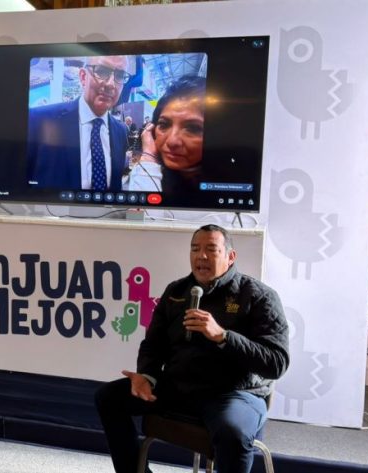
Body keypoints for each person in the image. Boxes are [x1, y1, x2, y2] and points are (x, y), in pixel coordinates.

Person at [95, 224, 289, 473]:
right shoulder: (176, 291)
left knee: (233, 433)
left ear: (230, 257)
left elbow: (276, 362)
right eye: (195, 249)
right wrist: (147, 375)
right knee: (109, 397)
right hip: (179, 386)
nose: (201, 256)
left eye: (211, 249)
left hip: (233, 393)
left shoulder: (258, 296)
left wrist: (223, 337)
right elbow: (153, 345)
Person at [26, 55, 131, 191]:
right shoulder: (38, 120)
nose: (111, 84)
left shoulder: (121, 131)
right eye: (102, 71)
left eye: (120, 75)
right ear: (83, 77)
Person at [132, 75, 205, 195]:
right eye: (164, 124)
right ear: (152, 130)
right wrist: (149, 156)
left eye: (193, 128)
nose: (172, 141)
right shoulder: (152, 171)